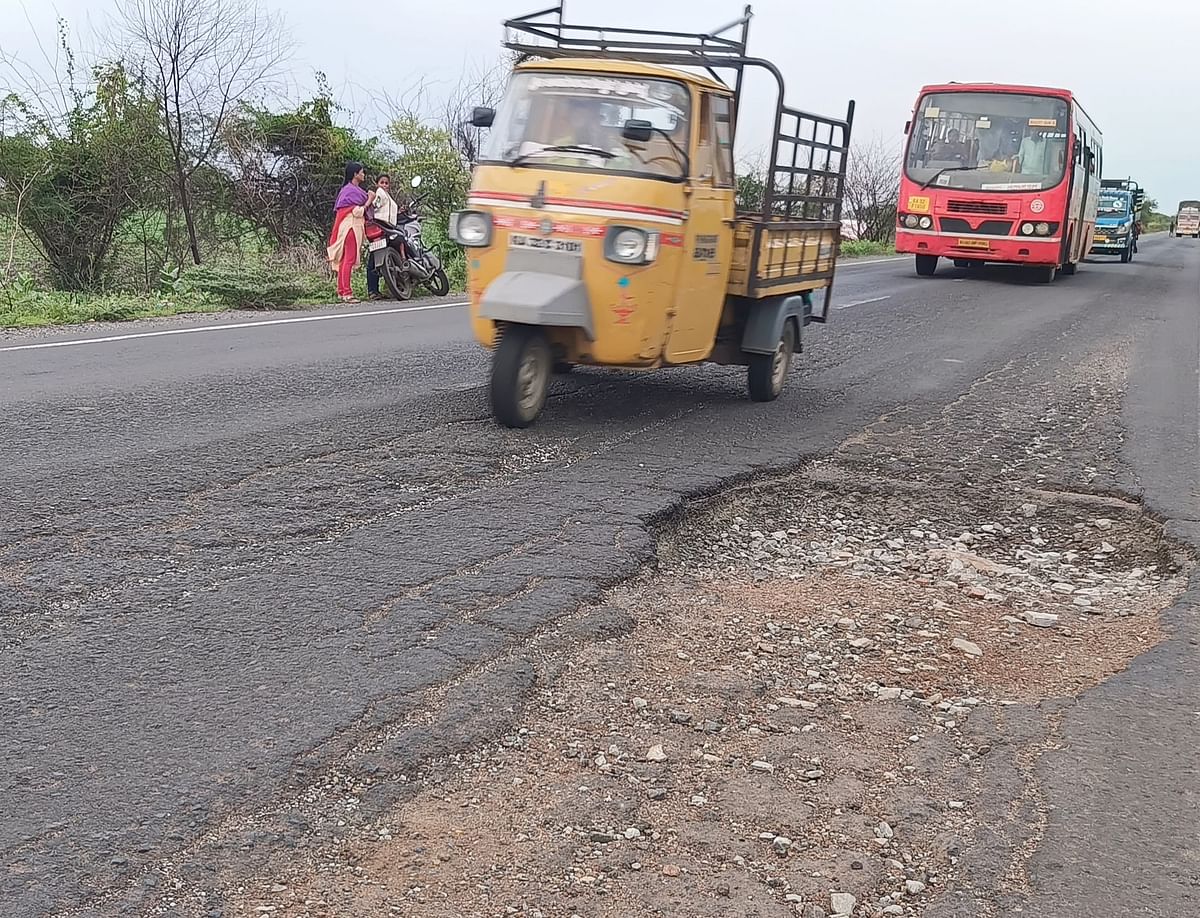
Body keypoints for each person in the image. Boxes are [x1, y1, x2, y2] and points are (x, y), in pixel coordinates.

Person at [327, 162, 375, 303]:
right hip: (351, 228)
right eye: (361, 172)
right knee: (348, 260)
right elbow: (357, 211)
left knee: (344, 261)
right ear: (355, 174)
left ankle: (342, 292)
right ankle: (347, 293)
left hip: (349, 228)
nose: (363, 174)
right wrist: (369, 200)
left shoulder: (351, 190)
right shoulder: (351, 191)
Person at [365, 174, 398, 300]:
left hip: (387, 228)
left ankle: (377, 290)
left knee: (380, 257)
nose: (384, 185)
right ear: (377, 184)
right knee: (374, 259)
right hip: (380, 228)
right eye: (382, 182)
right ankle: (372, 290)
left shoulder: (387, 196)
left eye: (386, 183)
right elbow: (375, 205)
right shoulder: (379, 193)